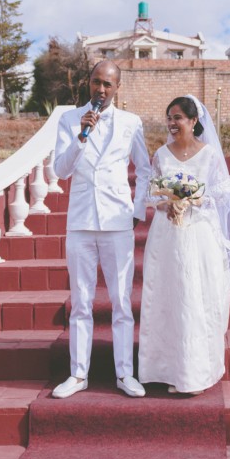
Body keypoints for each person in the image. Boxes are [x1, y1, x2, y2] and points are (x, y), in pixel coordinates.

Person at [138, 95, 230, 395]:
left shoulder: (211, 155)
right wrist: (168, 204)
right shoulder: (161, 155)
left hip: (199, 233)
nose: (172, 123)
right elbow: (151, 194)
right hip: (167, 235)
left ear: (193, 121)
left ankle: (195, 373)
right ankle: (164, 369)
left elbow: (221, 194)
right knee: (166, 297)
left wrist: (194, 200)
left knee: (197, 298)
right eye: (169, 118)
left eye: (178, 117)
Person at [51, 61, 151, 399]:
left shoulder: (131, 122)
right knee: (81, 301)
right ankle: (78, 375)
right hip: (80, 221)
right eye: (96, 82)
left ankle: (125, 374)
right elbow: (61, 171)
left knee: (122, 302)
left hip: (118, 220)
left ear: (117, 87)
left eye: (108, 84)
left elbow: (146, 169)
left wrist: (137, 211)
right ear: (88, 83)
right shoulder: (69, 119)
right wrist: (82, 135)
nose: (101, 90)